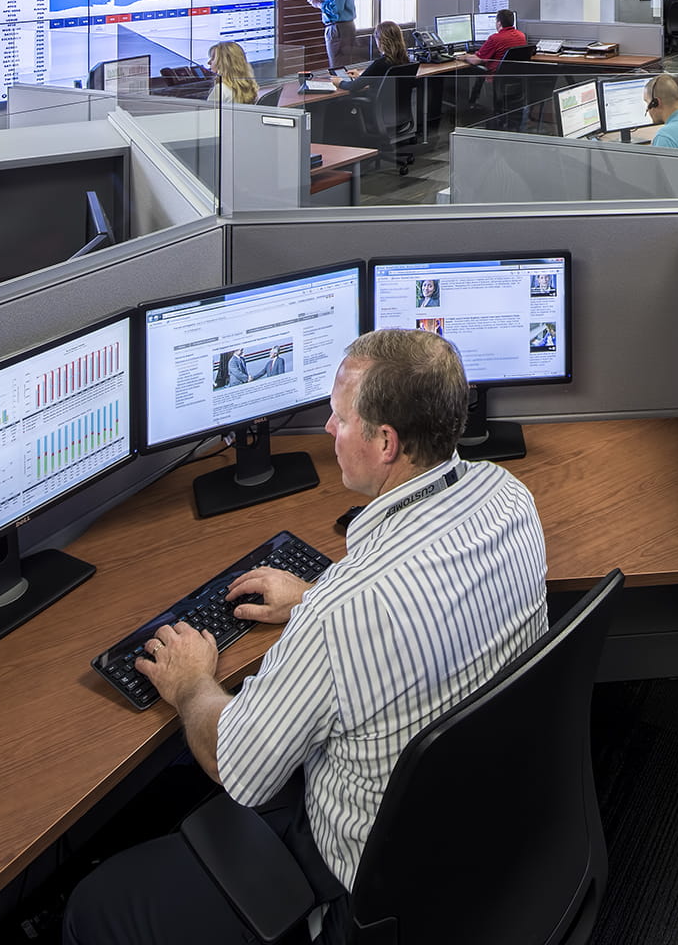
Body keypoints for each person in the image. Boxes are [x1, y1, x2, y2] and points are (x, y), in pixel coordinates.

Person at [64, 329, 549, 944]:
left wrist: (192, 684)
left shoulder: (345, 613)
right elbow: (414, 600)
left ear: (385, 442)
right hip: (479, 813)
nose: (326, 428)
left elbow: (235, 766)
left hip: (367, 878)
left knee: (95, 905)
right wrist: (314, 596)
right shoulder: (510, 499)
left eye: (340, 417)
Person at [340, 20, 411, 87]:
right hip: (397, 99)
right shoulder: (405, 60)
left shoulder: (380, 63)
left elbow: (353, 86)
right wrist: (360, 77)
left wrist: (340, 82)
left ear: (380, 41)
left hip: (379, 99)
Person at [460, 9, 526, 76]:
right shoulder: (521, 35)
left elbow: (477, 60)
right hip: (516, 76)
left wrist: (465, 57)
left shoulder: (495, 38)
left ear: (499, 23)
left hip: (495, 76)